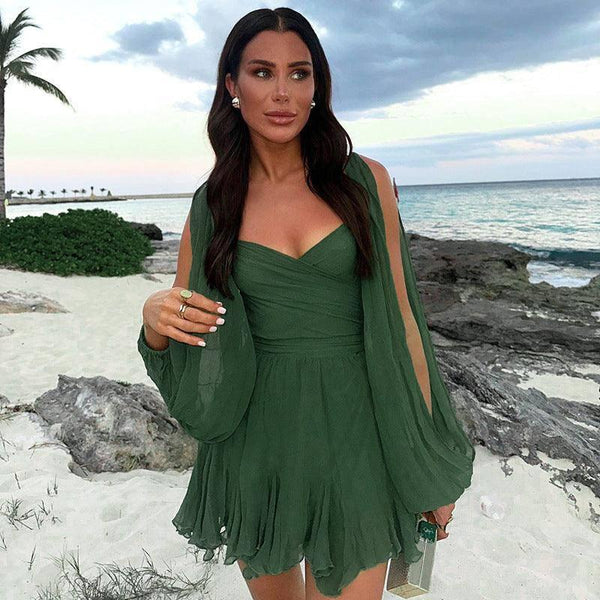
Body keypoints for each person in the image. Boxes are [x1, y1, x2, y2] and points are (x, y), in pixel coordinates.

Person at [138, 7, 472, 600]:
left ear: (318, 85)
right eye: (262, 72)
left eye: (300, 73)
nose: (283, 93)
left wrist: (427, 464)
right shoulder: (212, 205)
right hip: (254, 439)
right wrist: (153, 322)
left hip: (358, 431)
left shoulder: (365, 181)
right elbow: (196, 350)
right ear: (232, 85)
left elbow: (405, 326)